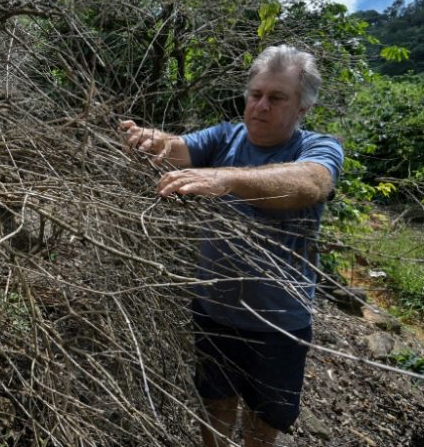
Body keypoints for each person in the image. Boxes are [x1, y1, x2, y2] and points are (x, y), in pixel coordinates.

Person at [120, 44, 344, 446]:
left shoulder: (317, 147)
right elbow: (177, 147)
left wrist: (227, 179)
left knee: (264, 420)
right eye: (256, 94)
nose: (260, 106)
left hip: (279, 323)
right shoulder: (226, 136)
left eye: (277, 98)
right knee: (215, 405)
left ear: (302, 110)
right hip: (214, 313)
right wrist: (149, 140)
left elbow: (311, 183)